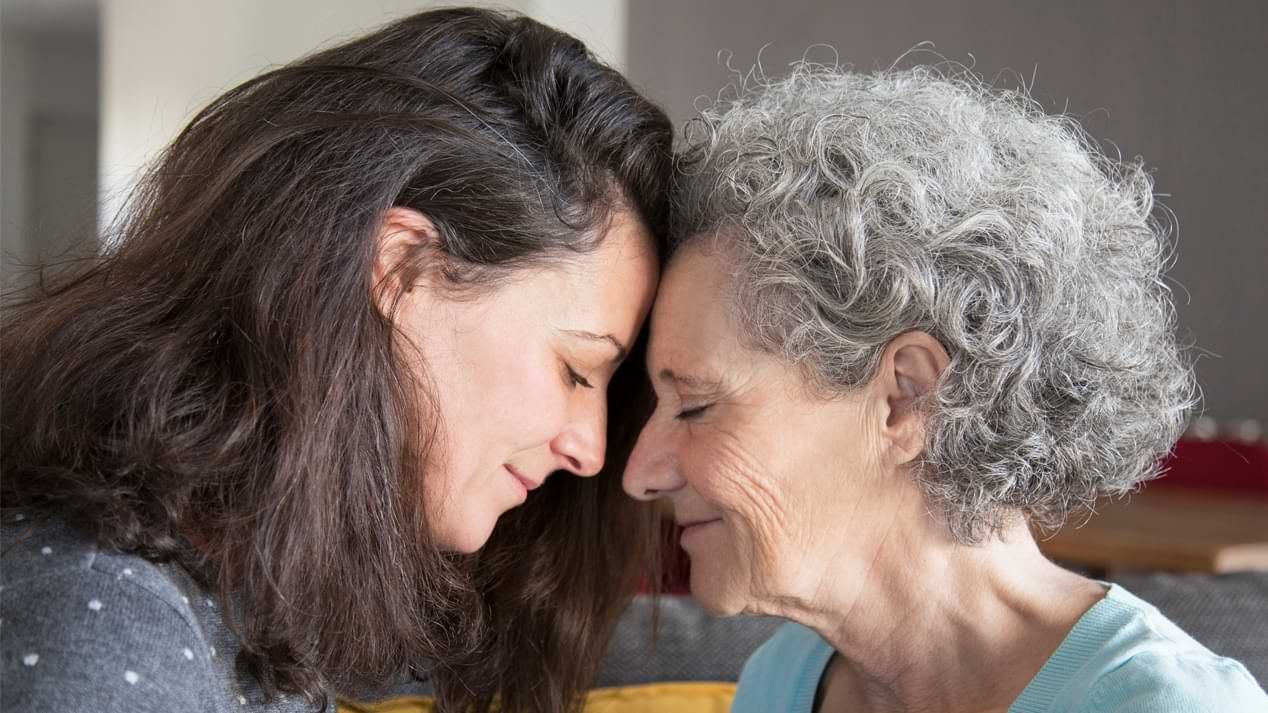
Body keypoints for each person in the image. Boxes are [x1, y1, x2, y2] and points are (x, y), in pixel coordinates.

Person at [1, 7, 671, 712]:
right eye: (574, 369)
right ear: (401, 266)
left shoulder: (254, 580)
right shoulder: (101, 619)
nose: (590, 448)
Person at [623, 65, 1268, 712]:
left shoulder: (1163, 703)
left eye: (697, 405)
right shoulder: (785, 680)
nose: (640, 473)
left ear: (906, 397)